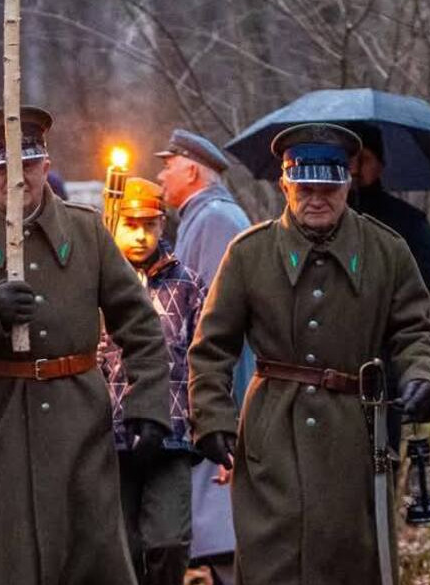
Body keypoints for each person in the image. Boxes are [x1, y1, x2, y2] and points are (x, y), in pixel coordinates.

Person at [0, 106, 172, 585]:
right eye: (1, 167)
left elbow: (141, 325)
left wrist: (148, 403)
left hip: (76, 428)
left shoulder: (86, 231)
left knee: (86, 556)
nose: (15, 177)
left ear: (45, 165)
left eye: (25, 165)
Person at [188, 122, 430, 585]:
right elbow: (211, 347)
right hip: (270, 435)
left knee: (351, 562)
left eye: (328, 186)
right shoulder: (249, 254)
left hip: (356, 436)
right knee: (270, 562)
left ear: (348, 182)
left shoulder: (387, 252)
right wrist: (211, 416)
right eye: (305, 187)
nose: (316, 198)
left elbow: (413, 331)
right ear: (286, 184)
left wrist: (420, 376)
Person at [153, 128, 252, 581]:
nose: (160, 176)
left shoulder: (215, 220)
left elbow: (216, 324)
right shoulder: (203, 216)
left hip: (217, 399)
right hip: (206, 396)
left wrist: (212, 408)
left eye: (167, 165)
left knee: (223, 528)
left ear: (191, 169)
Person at [100, 177, 204, 585]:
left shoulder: (188, 285)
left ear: (163, 225)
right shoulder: (96, 281)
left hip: (172, 430)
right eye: (130, 224)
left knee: (169, 540)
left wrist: (208, 421)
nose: (140, 235)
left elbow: (205, 357)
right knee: (119, 545)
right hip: (109, 431)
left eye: (150, 224)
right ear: (114, 224)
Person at [345, 127, 430, 294]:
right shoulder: (324, 216)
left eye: (364, 159)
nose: (354, 169)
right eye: (349, 159)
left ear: (380, 165)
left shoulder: (409, 221)